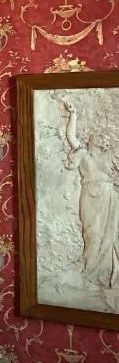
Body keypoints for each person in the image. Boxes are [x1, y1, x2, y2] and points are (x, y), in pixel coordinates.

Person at [62, 99, 119, 290]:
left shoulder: (109, 157)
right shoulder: (83, 154)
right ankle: (89, 269)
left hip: (107, 195)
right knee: (90, 232)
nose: (97, 137)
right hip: (89, 194)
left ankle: (102, 274)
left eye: (100, 137)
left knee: (107, 233)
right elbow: (71, 136)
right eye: (94, 135)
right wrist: (74, 114)